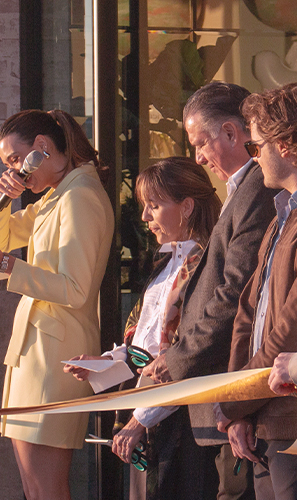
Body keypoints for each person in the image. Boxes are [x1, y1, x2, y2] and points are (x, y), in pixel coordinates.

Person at [0, 109, 114, 500]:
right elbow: (0, 240)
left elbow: (75, 289)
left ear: (41, 147)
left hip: (55, 354)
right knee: (34, 487)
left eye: (16, 159)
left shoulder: (79, 195)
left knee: (45, 487)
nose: (14, 170)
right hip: (35, 354)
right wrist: (1, 202)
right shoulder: (58, 195)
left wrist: (7, 265)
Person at [141, 82, 279, 499]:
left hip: (237, 391)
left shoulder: (258, 189)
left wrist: (178, 358)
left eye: (201, 143)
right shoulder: (243, 190)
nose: (199, 158)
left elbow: (236, 293)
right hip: (223, 394)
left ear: (232, 133)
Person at [66, 157, 222, 500]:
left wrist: (141, 420)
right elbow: (145, 344)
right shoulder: (167, 261)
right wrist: (105, 363)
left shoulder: (205, 266)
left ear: (187, 207)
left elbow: (183, 355)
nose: (144, 217)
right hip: (151, 412)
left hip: (183, 422)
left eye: (154, 205)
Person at [216, 82, 297, 499]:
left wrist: (236, 400)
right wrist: (239, 406)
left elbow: (290, 328)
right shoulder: (281, 214)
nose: (253, 157)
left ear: (285, 145)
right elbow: (247, 313)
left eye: (256, 146)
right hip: (263, 413)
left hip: (289, 416)